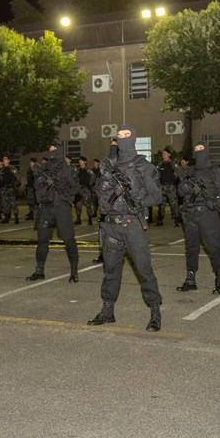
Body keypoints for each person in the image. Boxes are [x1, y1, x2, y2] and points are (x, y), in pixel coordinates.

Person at [87, 125, 164, 331]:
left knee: (144, 270)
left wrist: (139, 202)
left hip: (133, 225)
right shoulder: (108, 165)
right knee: (111, 271)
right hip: (111, 225)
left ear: (133, 138)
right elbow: (100, 195)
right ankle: (107, 310)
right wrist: (105, 191)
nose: (122, 138)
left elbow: (157, 196)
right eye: (119, 135)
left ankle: (155, 311)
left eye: (126, 135)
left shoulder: (144, 166)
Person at [176, 141, 220, 294]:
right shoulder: (189, 171)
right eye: (196, 149)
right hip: (191, 215)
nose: (199, 151)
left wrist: (217, 201)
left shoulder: (216, 171)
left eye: (201, 149)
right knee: (191, 248)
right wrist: (184, 188)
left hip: (208, 215)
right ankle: (190, 279)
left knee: (214, 248)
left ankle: (219, 280)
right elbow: (180, 191)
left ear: (207, 151)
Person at [26, 141, 80, 282]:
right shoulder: (44, 168)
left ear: (59, 151)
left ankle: (74, 272)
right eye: (49, 149)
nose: (51, 152)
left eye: (54, 149)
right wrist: (42, 180)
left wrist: (65, 196)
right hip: (46, 208)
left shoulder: (67, 169)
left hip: (61, 207)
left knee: (68, 239)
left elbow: (76, 188)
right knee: (42, 240)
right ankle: (39, 271)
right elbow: (35, 185)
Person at [155, 148, 180, 227]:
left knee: (174, 204)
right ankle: (160, 220)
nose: (164, 154)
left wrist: (173, 182)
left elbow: (177, 174)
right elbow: (156, 175)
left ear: (169, 154)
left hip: (171, 187)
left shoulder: (173, 164)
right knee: (161, 204)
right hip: (162, 187)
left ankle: (176, 220)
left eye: (165, 153)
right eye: (163, 153)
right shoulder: (160, 164)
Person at [73, 156, 96, 225]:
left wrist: (89, 184)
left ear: (85, 162)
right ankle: (78, 219)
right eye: (79, 161)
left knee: (88, 204)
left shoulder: (88, 170)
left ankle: (90, 219)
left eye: (81, 161)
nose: (80, 162)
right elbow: (74, 178)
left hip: (86, 189)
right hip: (79, 189)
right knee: (78, 205)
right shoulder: (77, 170)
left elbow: (94, 177)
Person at [0, 154, 20, 224]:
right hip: (4, 189)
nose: (4, 161)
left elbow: (18, 178)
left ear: (9, 160)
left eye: (5, 159)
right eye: (3, 159)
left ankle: (16, 217)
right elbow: (0, 179)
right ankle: (6, 217)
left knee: (13, 203)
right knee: (5, 203)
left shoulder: (13, 168)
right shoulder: (1, 170)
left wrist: (14, 185)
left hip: (11, 188)